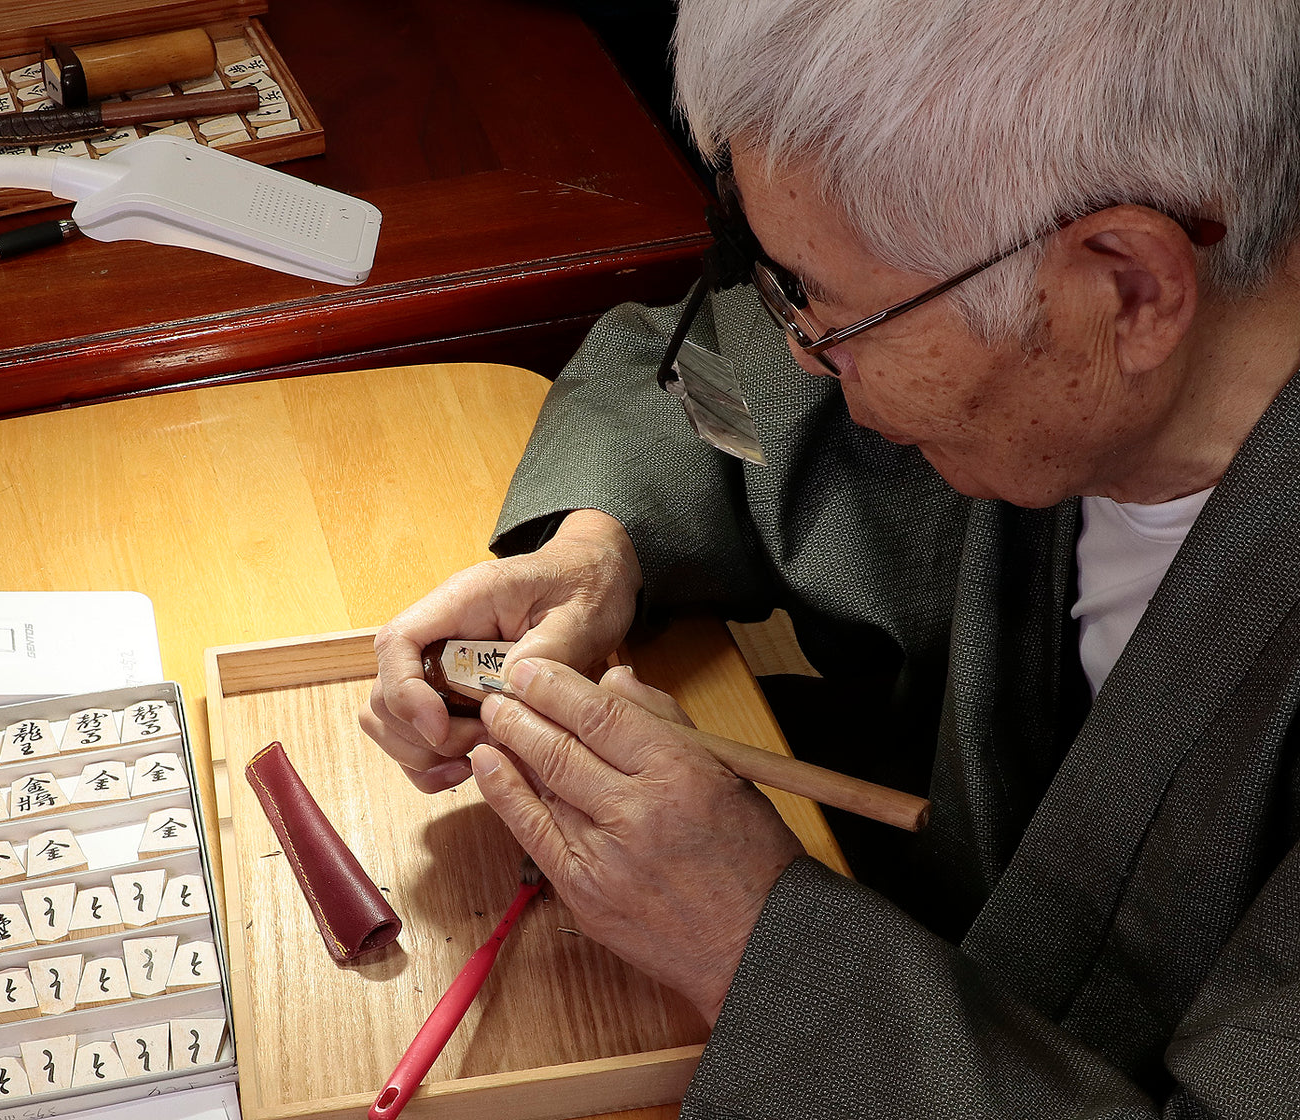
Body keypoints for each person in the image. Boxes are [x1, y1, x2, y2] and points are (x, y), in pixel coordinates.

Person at [360, 0, 1300, 1114]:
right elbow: (713, 381)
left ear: (1129, 287)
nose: (803, 352)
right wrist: (594, 551)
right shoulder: (1026, 319)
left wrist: (749, 941)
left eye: (830, 313)